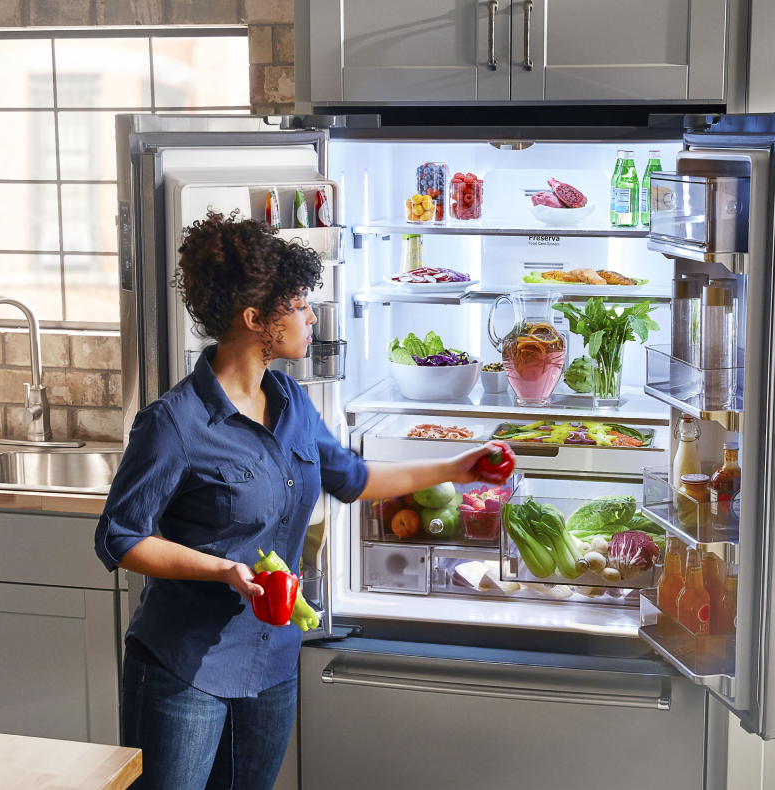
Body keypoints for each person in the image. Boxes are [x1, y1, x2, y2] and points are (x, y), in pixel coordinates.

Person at [94, 212, 508, 790]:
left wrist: (457, 467)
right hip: (184, 669)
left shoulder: (289, 399)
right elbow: (120, 536)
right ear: (255, 319)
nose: (312, 317)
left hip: (271, 662)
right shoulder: (174, 423)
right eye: (300, 305)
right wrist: (225, 570)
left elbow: (353, 477)